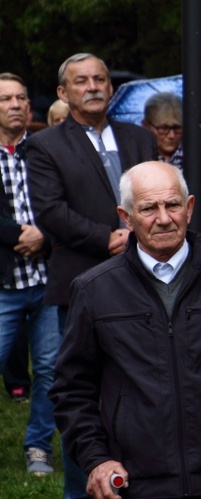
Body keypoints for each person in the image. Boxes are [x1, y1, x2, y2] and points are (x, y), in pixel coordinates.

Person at [49, 161, 201, 499]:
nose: (164, 218)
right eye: (149, 208)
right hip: (136, 482)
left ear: (190, 208)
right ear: (126, 216)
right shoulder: (94, 290)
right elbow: (72, 390)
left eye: (173, 204)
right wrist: (97, 459)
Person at [25, 52, 157, 499]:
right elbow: (50, 211)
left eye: (100, 78)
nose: (93, 86)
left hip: (145, 280)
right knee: (82, 393)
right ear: (63, 93)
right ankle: (81, 490)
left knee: (140, 388)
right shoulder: (45, 145)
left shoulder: (140, 138)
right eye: (81, 81)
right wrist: (109, 238)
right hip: (82, 280)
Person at [0, 72, 59, 476]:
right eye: (6, 99)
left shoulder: (44, 150)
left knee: (52, 369)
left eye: (21, 97)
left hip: (48, 281)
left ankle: (38, 446)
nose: (17, 104)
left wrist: (46, 235)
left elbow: (69, 201)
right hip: (3, 284)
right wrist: (18, 234)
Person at [142, 92, 201, 245]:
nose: (171, 135)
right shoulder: (139, 158)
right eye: (163, 128)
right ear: (146, 125)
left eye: (177, 128)